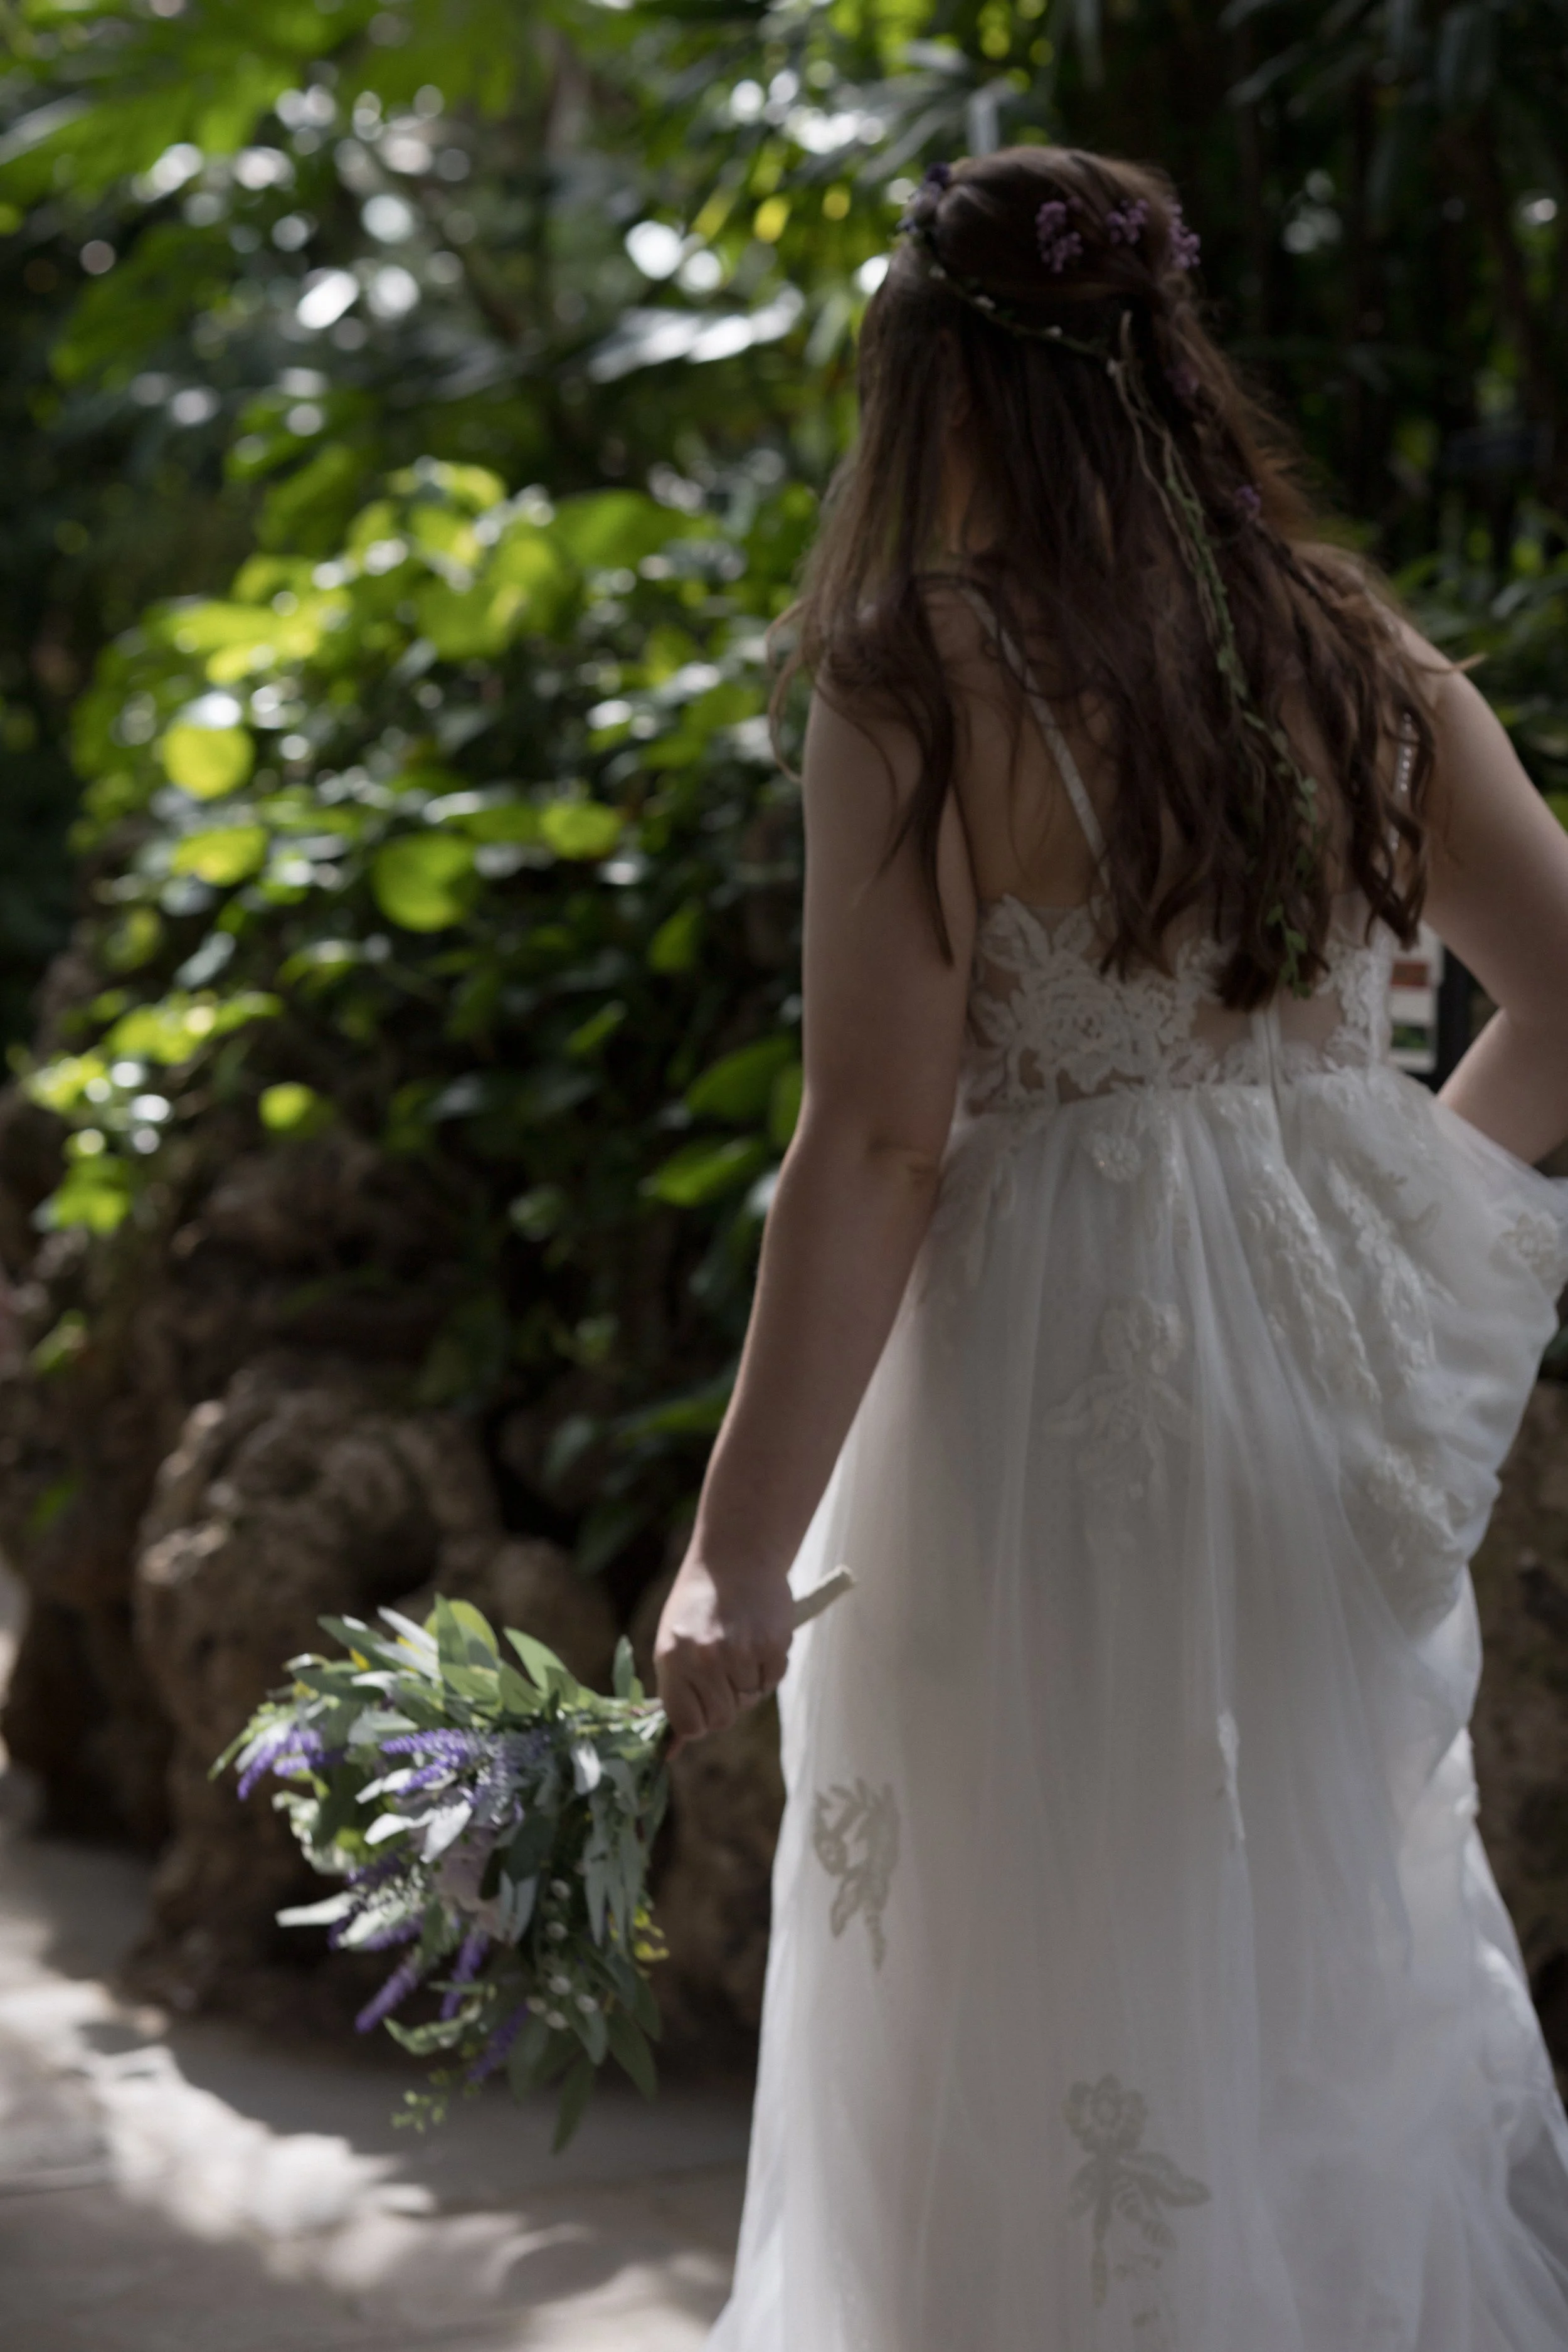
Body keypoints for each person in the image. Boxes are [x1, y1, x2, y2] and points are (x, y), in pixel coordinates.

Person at [653, 144, 1568, 2349]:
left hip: (1044, 1401)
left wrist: (734, 1553)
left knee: (1017, 1947)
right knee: (1319, 1949)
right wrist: (1395, 1213)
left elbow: (879, 1142)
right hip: (1320, 1402)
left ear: (936, 387)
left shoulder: (913, 682)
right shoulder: (1355, 654)